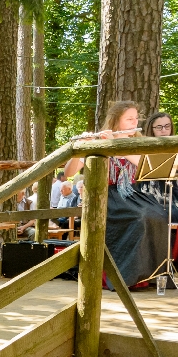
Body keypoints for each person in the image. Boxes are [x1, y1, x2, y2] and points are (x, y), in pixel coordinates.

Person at [65, 101, 166, 288]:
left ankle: (147, 276)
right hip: (108, 196)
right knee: (139, 218)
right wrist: (80, 148)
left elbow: (145, 165)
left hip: (134, 195)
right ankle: (124, 277)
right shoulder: (99, 142)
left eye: (136, 118)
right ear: (116, 121)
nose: (135, 122)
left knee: (159, 216)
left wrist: (115, 144)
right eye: (129, 119)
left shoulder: (140, 142)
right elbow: (69, 173)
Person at [141, 111, 178, 223]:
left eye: (167, 126)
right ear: (151, 129)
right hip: (152, 190)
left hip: (173, 189)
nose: (164, 130)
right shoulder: (143, 146)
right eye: (159, 127)